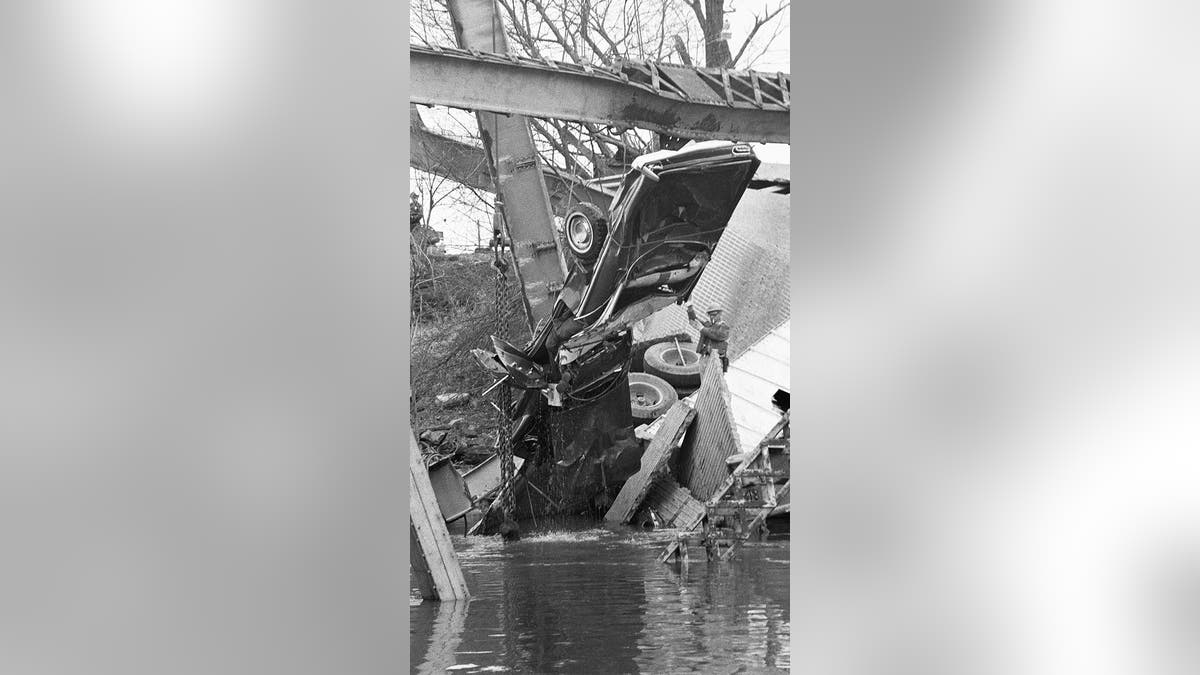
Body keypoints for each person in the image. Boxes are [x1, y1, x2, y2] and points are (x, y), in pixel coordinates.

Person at [687, 305, 731, 372]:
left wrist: (702, 329)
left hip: (716, 361)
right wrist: (690, 307)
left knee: (711, 379)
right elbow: (694, 320)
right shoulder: (709, 325)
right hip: (705, 357)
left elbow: (716, 334)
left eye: (714, 315)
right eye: (710, 315)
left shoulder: (724, 328)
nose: (711, 317)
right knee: (703, 377)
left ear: (720, 314)